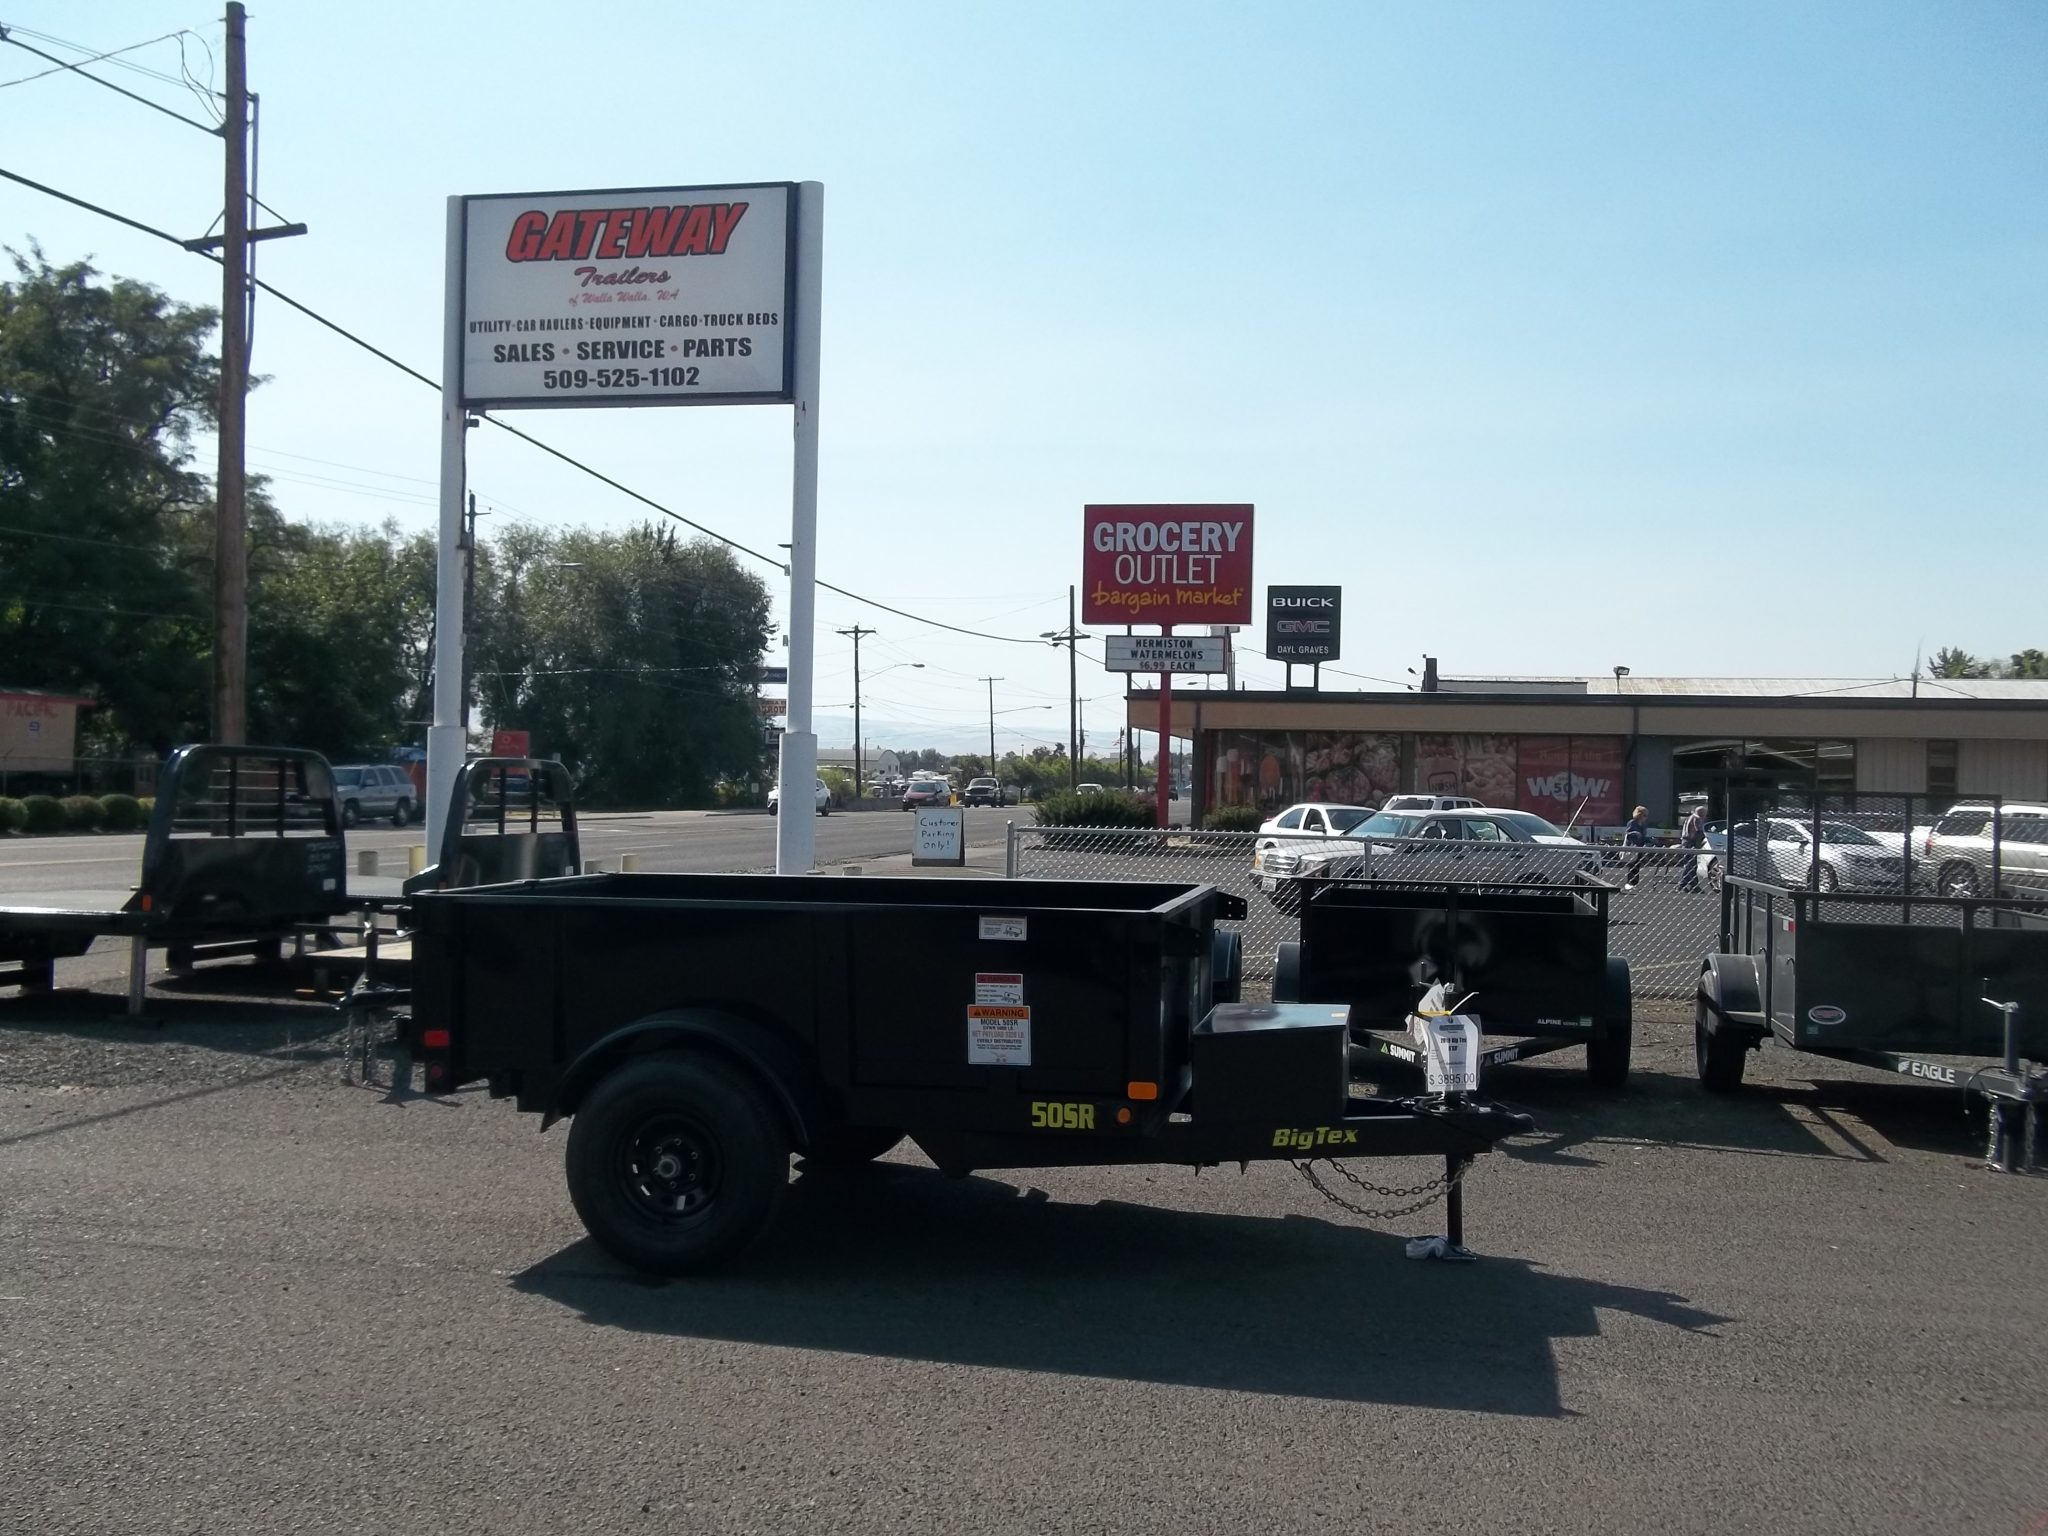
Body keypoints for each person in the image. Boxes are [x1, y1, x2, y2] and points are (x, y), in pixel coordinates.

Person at [1678, 803, 1709, 891]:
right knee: (1690, 864)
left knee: (1691, 864)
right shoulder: (1697, 819)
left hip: (1685, 841)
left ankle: (1693, 885)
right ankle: (1682, 884)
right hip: (1691, 843)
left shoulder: (1689, 817)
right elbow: (1699, 830)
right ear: (1702, 814)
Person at [1623, 805, 1651, 890]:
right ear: (1639, 814)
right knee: (1632, 865)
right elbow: (1629, 834)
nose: (1646, 817)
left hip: (1639, 847)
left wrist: (1649, 840)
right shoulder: (1632, 823)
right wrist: (1635, 834)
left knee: (1637, 866)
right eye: (1644, 815)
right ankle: (1630, 883)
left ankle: (1634, 883)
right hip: (1632, 847)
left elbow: (1643, 837)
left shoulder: (1642, 825)